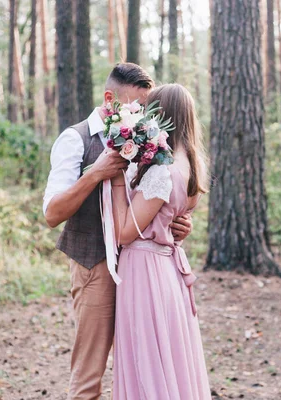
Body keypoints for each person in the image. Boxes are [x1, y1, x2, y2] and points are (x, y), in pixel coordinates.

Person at [43, 63, 194, 400]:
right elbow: (53, 214)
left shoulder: (148, 138)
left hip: (143, 274)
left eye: (145, 108)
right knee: (90, 374)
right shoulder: (75, 138)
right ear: (109, 98)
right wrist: (94, 174)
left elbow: (155, 197)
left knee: (142, 369)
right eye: (134, 107)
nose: (141, 116)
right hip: (96, 265)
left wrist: (177, 222)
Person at [111, 84, 211, 399]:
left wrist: (114, 177)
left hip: (144, 271)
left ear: (161, 115)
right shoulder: (192, 166)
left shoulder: (162, 171)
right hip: (167, 270)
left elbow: (126, 231)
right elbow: (170, 216)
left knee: (147, 361)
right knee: (168, 359)